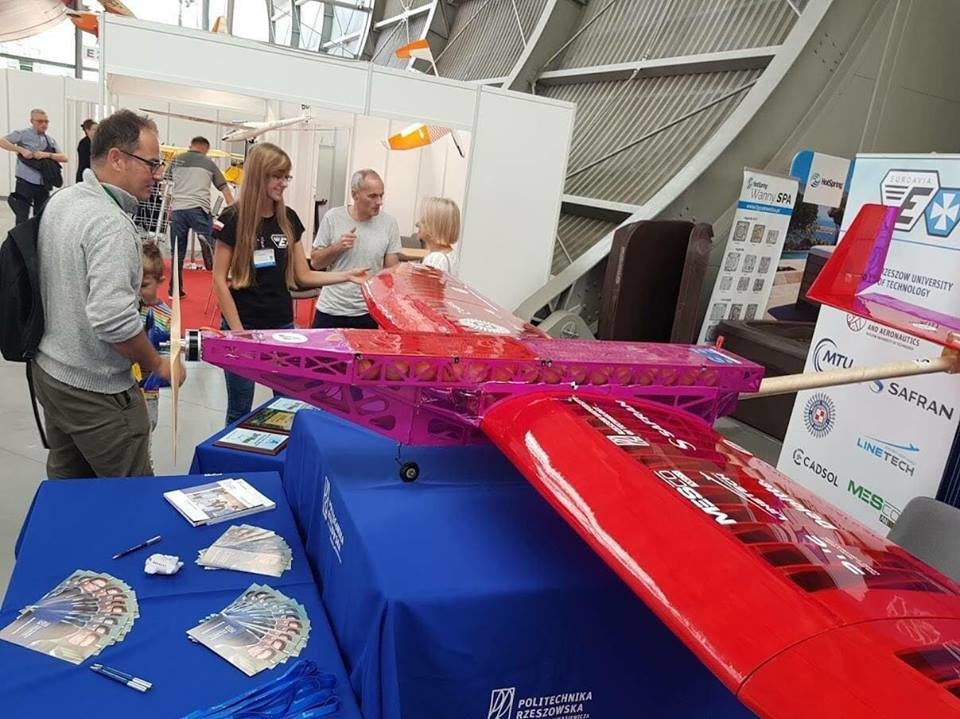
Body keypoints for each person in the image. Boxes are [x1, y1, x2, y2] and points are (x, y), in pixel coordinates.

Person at [30, 109, 185, 479]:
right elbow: (113, 319)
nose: (157, 175)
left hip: (51, 371)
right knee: (131, 496)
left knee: (70, 486)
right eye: (152, 163)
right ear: (117, 158)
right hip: (95, 389)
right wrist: (157, 364)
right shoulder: (111, 224)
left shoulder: (64, 200)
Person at [213, 142, 366, 425]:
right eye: (277, 176)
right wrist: (238, 332)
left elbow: (303, 276)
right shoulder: (232, 219)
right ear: (259, 175)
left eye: (287, 176)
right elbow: (219, 280)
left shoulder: (288, 219)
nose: (283, 183)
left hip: (281, 328)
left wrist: (346, 276)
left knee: (286, 407)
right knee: (239, 409)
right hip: (242, 326)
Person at [310, 168, 400, 329]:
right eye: (372, 196)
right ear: (355, 194)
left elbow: (391, 272)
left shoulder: (389, 224)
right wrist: (336, 247)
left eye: (381, 195)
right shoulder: (333, 217)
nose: (379, 201)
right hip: (331, 308)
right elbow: (316, 263)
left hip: (367, 311)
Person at [170, 136, 235, 295]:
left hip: (178, 209)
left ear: (190, 145)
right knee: (217, 246)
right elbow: (225, 189)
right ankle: (207, 245)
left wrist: (167, 208)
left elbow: (164, 181)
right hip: (199, 209)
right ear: (206, 149)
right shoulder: (208, 163)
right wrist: (234, 210)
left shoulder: (177, 160)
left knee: (177, 252)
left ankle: (175, 290)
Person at [0, 108, 67, 224]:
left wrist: (47, 155)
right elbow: (2, 141)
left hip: (43, 183)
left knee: (40, 217)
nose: (44, 124)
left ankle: (36, 236)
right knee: (22, 216)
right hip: (25, 182)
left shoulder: (50, 140)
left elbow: (64, 157)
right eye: (40, 121)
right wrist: (21, 150)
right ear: (32, 121)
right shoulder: (22, 134)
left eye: (46, 121)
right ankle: (20, 236)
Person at [136, 242, 172, 431]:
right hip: (120, 388)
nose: (137, 291)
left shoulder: (166, 316)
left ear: (160, 281)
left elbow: (167, 355)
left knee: (146, 430)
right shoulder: (126, 307)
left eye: (144, 285)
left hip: (148, 390)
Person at [417, 197, 461, 276]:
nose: (417, 223)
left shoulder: (435, 259)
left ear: (434, 228)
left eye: (423, 221)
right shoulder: (452, 256)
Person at [76, 119, 97, 183]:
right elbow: (85, 160)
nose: (97, 131)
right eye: (94, 129)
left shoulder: (98, 142)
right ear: (87, 130)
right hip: (84, 172)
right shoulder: (83, 143)